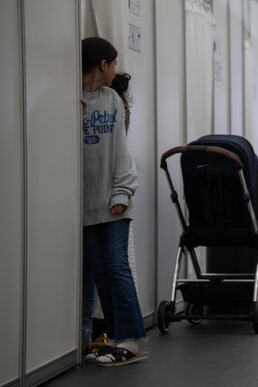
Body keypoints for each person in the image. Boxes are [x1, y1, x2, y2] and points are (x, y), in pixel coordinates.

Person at [80, 37, 148, 366]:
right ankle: (114, 338)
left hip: (115, 202)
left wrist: (121, 192)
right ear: (103, 65)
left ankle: (132, 341)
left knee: (117, 267)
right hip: (84, 207)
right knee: (100, 271)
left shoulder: (112, 101)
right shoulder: (71, 100)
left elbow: (121, 153)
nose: (117, 70)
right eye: (115, 63)